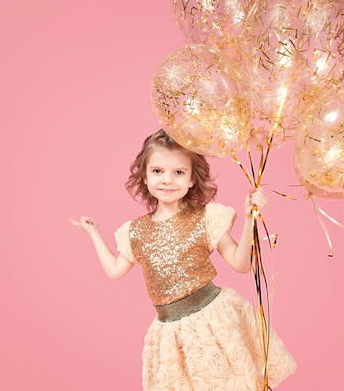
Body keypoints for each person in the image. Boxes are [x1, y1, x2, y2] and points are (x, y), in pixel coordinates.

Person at [71, 129, 296, 390]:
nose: (167, 180)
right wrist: (94, 233)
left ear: (191, 179)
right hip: (170, 334)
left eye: (178, 172)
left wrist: (249, 220)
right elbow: (114, 270)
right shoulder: (135, 232)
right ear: (145, 176)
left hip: (212, 323)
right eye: (157, 171)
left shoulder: (206, 217)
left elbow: (241, 264)